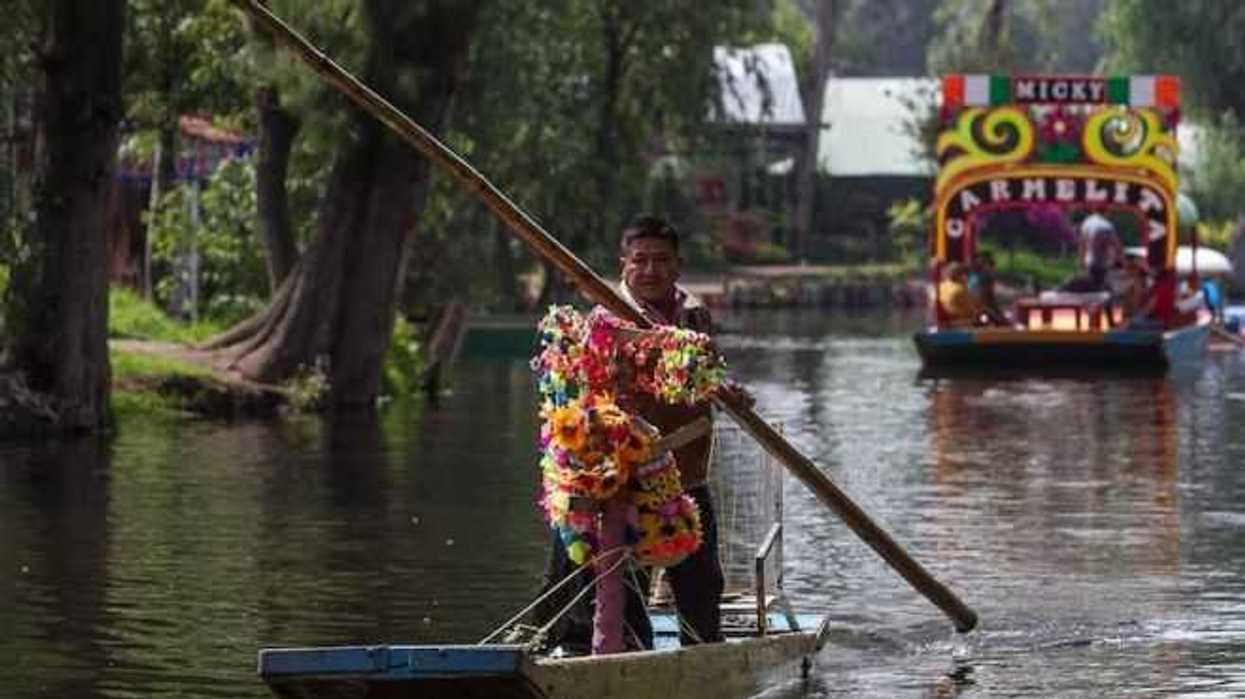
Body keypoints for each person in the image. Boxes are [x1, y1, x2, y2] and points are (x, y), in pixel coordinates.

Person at [539, 214, 751, 653]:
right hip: (618, 479)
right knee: (608, 585)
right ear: (624, 264)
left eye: (661, 260)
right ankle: (612, 656)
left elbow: (704, 375)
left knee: (700, 586)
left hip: (684, 472)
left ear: (677, 266)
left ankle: (704, 658)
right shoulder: (601, 319)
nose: (650, 270)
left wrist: (727, 391)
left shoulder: (694, 314)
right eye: (640, 260)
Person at [1067, 213, 1122, 292]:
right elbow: (1117, 246)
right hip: (1109, 229)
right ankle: (1103, 282)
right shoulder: (1096, 220)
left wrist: (1082, 264)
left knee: (1096, 260)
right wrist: (1115, 260)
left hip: (1098, 234)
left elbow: (1083, 247)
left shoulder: (1084, 225)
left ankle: (1098, 283)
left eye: (1075, 229)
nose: (1076, 232)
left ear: (1078, 223)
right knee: (1103, 259)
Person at [967, 251, 1009, 326]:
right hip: (980, 306)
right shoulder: (982, 275)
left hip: (977, 305)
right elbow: (986, 296)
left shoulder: (974, 274)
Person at [938, 262, 984, 327]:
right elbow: (971, 310)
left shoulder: (941, 286)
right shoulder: (960, 289)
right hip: (962, 322)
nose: (966, 276)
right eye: (964, 274)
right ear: (960, 275)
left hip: (946, 321)